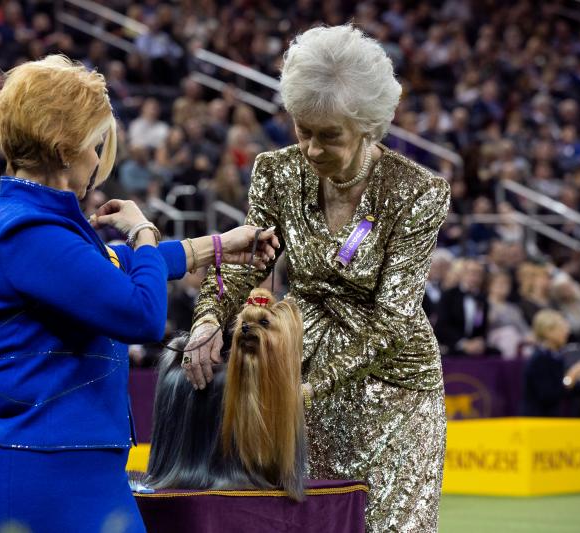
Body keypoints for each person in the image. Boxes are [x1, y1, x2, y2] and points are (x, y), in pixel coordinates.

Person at [0, 55, 277, 533]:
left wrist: (218, 247)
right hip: (48, 471)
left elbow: (120, 268)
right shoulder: (29, 232)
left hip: (69, 463)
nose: (98, 159)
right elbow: (142, 314)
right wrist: (143, 230)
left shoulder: (38, 222)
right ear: (64, 148)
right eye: (94, 145)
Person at [184, 25, 450, 531]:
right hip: (297, 373)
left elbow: (393, 319)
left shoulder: (418, 191)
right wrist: (209, 319)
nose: (310, 148)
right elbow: (247, 263)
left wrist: (303, 391)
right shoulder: (275, 171)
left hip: (394, 390)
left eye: (330, 136)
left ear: (368, 127)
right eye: (302, 130)